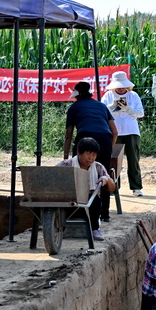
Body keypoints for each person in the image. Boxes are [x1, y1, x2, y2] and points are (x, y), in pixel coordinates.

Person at [64, 81, 118, 221]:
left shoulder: (74, 107)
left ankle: (79, 211)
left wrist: (66, 156)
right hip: (105, 139)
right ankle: (104, 214)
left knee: (78, 174)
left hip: (84, 138)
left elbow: (68, 135)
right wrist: (108, 149)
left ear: (76, 95)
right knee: (104, 175)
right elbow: (115, 132)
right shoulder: (102, 106)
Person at [54, 137, 115, 241]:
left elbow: (112, 188)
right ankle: (60, 228)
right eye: (88, 154)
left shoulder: (98, 167)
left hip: (89, 205)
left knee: (95, 199)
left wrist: (106, 180)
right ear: (79, 152)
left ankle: (95, 229)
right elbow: (52, 179)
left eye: (94, 155)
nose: (91, 158)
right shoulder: (66, 165)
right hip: (68, 203)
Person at [100, 71, 146, 197]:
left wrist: (128, 109)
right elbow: (102, 112)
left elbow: (140, 113)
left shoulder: (133, 95)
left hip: (131, 131)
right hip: (114, 131)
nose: (121, 89)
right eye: (118, 86)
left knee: (133, 160)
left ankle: (136, 187)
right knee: (113, 160)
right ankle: (114, 187)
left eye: (123, 86)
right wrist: (112, 107)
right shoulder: (108, 96)